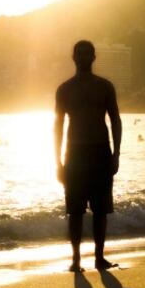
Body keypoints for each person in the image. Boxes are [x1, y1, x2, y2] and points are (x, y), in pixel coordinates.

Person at [54, 40, 122, 273]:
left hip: (100, 151)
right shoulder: (65, 89)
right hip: (75, 153)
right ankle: (75, 260)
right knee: (75, 210)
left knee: (101, 210)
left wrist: (116, 154)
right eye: (79, 53)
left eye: (87, 53)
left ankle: (99, 257)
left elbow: (115, 120)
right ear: (73, 57)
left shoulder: (105, 87)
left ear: (94, 57)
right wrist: (57, 161)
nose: (83, 57)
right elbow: (57, 126)